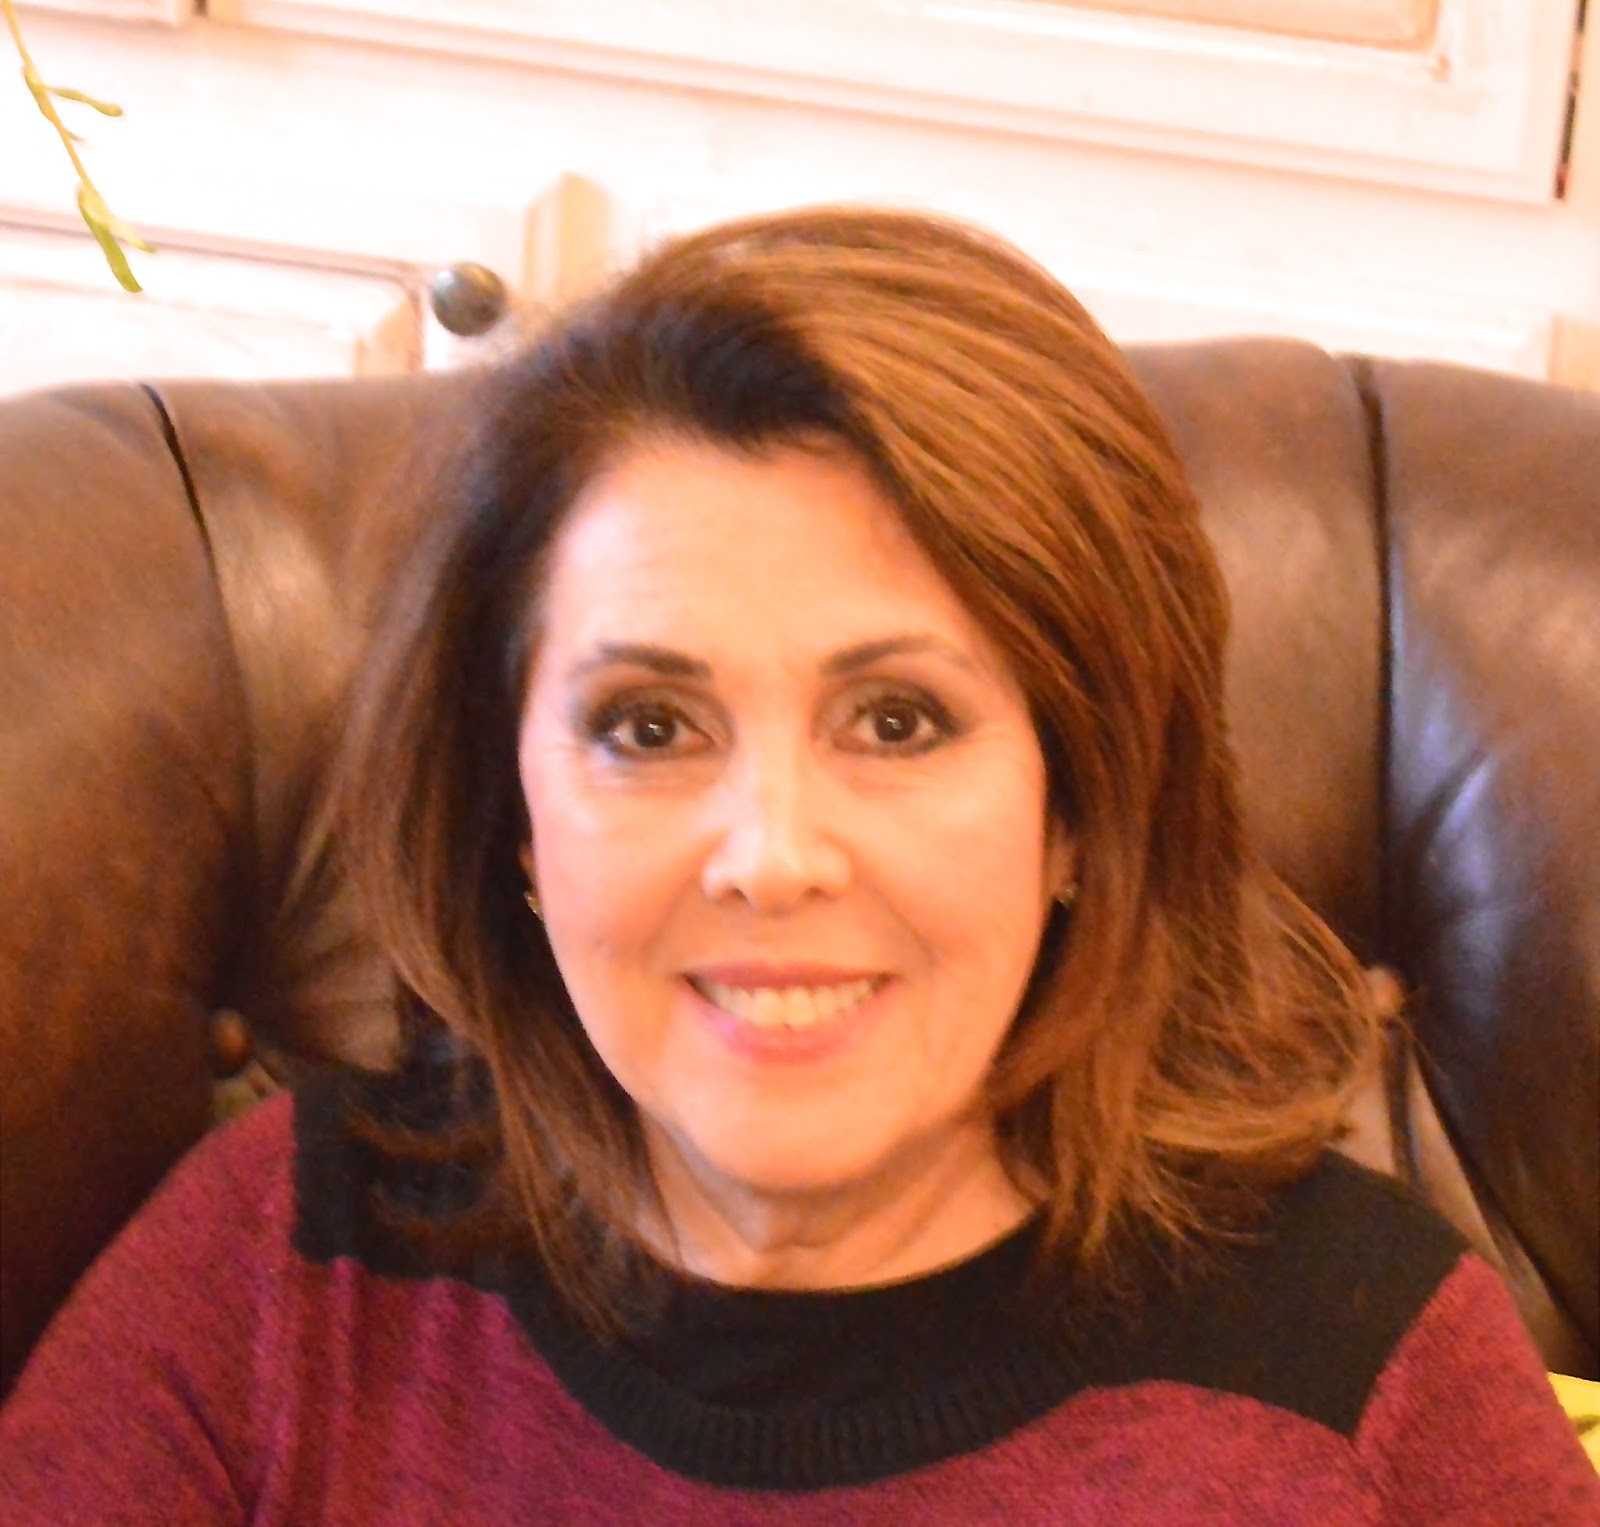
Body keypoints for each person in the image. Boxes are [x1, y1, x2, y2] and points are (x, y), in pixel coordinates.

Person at [0, 207, 1594, 1524]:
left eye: (898, 721)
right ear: (513, 813)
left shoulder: (1371, 1375)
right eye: (647, 726)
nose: (771, 856)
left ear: (1080, 811)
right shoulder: (289, 1261)